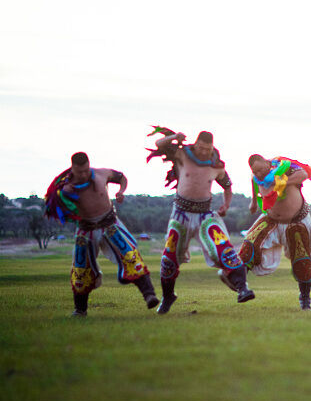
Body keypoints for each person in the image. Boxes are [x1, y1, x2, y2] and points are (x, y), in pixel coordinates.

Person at [148, 128, 254, 314]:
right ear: (196, 144)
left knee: (225, 249)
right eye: (202, 148)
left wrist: (226, 205)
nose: (205, 152)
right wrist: (174, 137)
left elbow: (228, 186)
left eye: (208, 149)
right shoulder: (182, 154)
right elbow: (159, 145)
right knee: (169, 258)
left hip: (205, 215)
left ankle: (242, 288)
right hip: (180, 214)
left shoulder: (216, 165)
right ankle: (168, 297)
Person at [44, 152, 158, 317]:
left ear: (88, 165)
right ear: (72, 169)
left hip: (109, 223)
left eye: (85, 170)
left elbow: (121, 177)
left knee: (130, 256)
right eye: (79, 172)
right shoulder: (65, 188)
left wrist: (121, 192)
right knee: (81, 269)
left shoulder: (102, 174)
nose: (82, 175)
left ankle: (149, 295)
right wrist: (65, 200)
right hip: (85, 229)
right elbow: (56, 205)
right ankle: (80, 309)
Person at [235, 154, 311, 310]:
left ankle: (305, 299)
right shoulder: (256, 177)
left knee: (302, 259)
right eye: (255, 171)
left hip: (296, 220)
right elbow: (253, 181)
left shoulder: (284, 167)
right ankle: (241, 288)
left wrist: (283, 182)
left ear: (267, 163)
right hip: (270, 217)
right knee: (248, 247)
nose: (259, 174)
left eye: (260, 170)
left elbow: (303, 174)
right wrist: (253, 201)